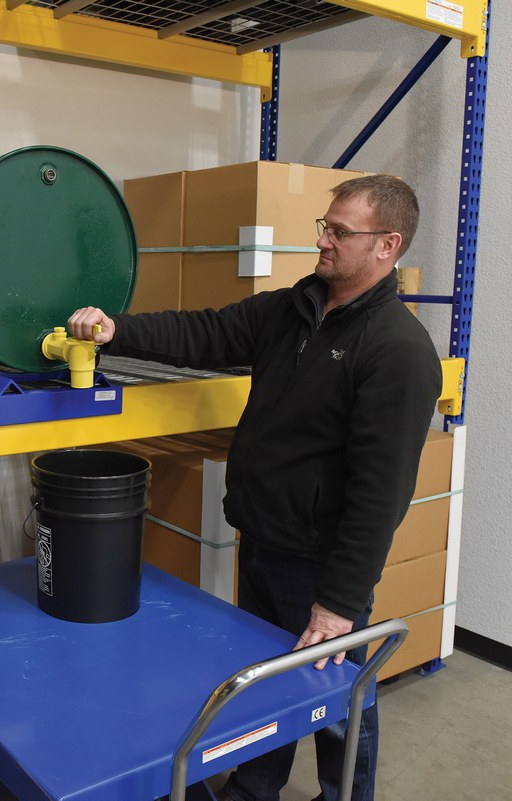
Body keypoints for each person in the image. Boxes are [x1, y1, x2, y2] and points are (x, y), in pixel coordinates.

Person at [68, 174, 441, 801]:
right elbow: (205, 333)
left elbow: (382, 494)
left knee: (338, 699)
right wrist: (115, 330)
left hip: (320, 565)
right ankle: (256, 786)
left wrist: (338, 602)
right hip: (264, 540)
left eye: (340, 232)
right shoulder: (292, 309)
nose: (322, 241)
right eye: (324, 226)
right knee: (266, 683)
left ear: (388, 245)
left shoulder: (397, 350)